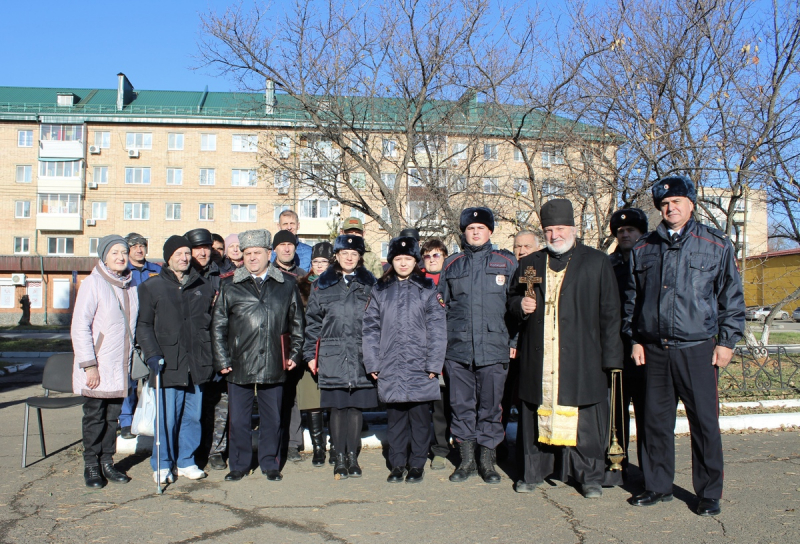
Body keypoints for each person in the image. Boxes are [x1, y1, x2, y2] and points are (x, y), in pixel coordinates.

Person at [624, 176, 745, 516]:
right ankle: (657, 486)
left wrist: (727, 342)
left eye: (676, 201)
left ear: (691, 203)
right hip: (654, 350)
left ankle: (708, 492)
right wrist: (634, 338)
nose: (670, 207)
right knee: (654, 422)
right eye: (664, 203)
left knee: (704, 423)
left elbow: (731, 298)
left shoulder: (716, 245)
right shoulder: (644, 248)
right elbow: (632, 300)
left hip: (698, 348)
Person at [508, 199, 623, 498]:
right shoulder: (530, 263)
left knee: (584, 420)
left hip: (583, 357)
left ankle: (589, 477)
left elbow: (611, 313)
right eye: (548, 229)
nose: (554, 235)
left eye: (560, 228)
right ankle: (533, 472)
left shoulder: (597, 261)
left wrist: (612, 359)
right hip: (539, 357)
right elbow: (509, 303)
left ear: (573, 228)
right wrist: (520, 306)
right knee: (536, 416)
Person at [211, 229, 305, 482]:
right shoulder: (229, 285)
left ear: (268, 253)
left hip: (275, 361)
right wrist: (222, 360)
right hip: (238, 363)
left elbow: (297, 324)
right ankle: (239, 464)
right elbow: (218, 326)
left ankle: (270, 463)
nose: (252, 258)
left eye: (257, 253)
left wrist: (294, 354)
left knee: (272, 418)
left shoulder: (286, 285)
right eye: (247, 253)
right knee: (239, 420)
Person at [438, 207, 518, 484]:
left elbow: (516, 307)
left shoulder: (506, 263)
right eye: (470, 229)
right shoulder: (451, 265)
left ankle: (488, 460)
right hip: (458, 349)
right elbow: (441, 309)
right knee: (461, 405)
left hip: (494, 347)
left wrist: (514, 341)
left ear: (490, 231)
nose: (475, 232)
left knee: (491, 407)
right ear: (463, 232)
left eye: (481, 228)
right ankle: (466, 459)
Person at [363, 236, 446, 483]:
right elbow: (370, 328)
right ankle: (397, 464)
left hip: (421, 366)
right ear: (391, 261)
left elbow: (438, 329)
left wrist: (434, 364)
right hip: (390, 365)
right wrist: (373, 363)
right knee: (396, 419)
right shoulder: (379, 289)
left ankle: (417, 463)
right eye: (398, 259)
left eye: (408, 259)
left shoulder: (428, 289)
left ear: (415, 260)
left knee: (420, 419)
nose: (403, 264)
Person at [136, 236, 216, 484]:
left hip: (197, 362)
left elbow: (211, 323)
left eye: (187, 253)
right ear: (168, 257)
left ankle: (186, 461)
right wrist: (152, 354)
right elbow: (144, 325)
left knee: (192, 416)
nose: (184, 258)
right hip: (167, 363)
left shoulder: (203, 286)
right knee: (168, 417)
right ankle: (162, 463)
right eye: (179, 253)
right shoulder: (152, 287)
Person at [304, 235, 378, 480]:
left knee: (355, 408)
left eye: (354, 254)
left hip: (360, 353)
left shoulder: (371, 286)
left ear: (359, 258)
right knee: (337, 407)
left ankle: (352, 458)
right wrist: (310, 355)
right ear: (336, 256)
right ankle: (338, 457)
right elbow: (312, 323)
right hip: (332, 354)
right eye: (344, 253)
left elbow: (379, 322)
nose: (349, 257)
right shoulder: (321, 286)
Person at [72, 235, 138, 488]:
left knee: (113, 417)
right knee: (94, 417)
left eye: (124, 252)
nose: (121, 257)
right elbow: (80, 326)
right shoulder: (93, 283)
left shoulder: (129, 286)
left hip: (120, 365)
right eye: (114, 253)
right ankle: (91, 464)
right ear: (104, 257)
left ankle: (107, 462)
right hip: (97, 365)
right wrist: (89, 364)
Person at [608, 208, 649, 478]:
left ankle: (650, 470)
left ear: (641, 233)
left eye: (631, 230)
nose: (625, 234)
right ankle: (616, 463)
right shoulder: (608, 265)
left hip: (645, 346)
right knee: (616, 411)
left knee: (649, 411)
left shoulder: (652, 260)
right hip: (616, 346)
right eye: (621, 231)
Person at [296, 242, 335, 467]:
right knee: (312, 400)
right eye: (316, 262)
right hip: (309, 348)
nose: (319, 266)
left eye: (324, 262)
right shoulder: (302, 285)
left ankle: (335, 443)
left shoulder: (338, 283)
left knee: (333, 399)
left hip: (333, 349)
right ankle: (318, 447)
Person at [119, 232, 161, 439]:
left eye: (142, 245)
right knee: (129, 379)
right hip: (130, 331)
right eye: (134, 246)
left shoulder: (156, 270)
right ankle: (126, 420)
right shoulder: (122, 271)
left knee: (153, 377)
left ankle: (151, 417)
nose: (139, 249)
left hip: (153, 330)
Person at [270, 229, 307, 462]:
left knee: (293, 395)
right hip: (271, 343)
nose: (286, 248)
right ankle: (274, 440)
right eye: (281, 245)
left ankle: (293, 443)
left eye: (290, 244)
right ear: (274, 249)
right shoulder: (267, 274)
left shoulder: (304, 276)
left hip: (295, 343)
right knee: (271, 396)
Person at [420, 239, 451, 470]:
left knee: (454, 404)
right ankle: (438, 448)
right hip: (423, 352)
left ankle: (458, 445)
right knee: (432, 406)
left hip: (453, 351)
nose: (432, 260)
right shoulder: (417, 281)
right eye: (428, 256)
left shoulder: (452, 278)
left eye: (436, 255)